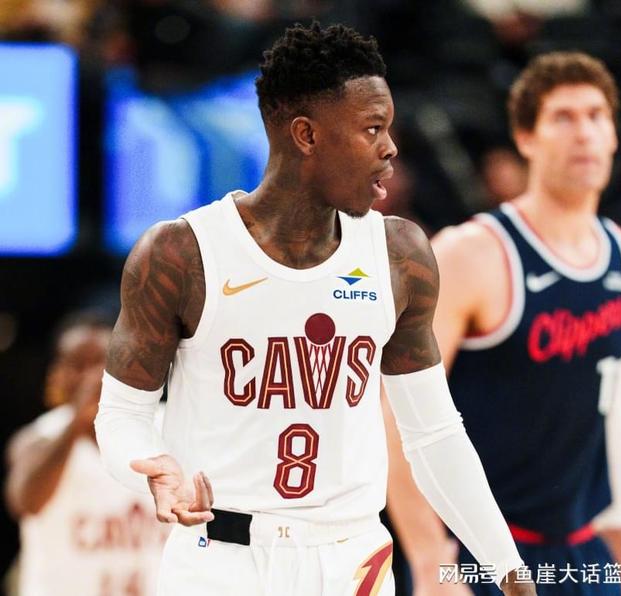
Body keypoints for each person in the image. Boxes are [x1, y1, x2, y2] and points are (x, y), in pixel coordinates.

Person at [94, 22, 536, 596]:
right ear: (306, 135)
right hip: (222, 559)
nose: (390, 148)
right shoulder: (182, 252)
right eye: (372, 128)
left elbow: (433, 435)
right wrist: (149, 465)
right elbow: (120, 415)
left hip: (352, 557)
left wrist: (508, 569)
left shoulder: (399, 254)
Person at [385, 51, 621, 595]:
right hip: (482, 553)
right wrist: (429, 558)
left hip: (583, 550)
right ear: (526, 137)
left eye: (596, 116)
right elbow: (398, 415)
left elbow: (615, 415)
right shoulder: (471, 254)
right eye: (563, 117)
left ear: (613, 135)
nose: (584, 133)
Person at [4, 310, 169, 596]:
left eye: (103, 362)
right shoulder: (39, 438)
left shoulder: (169, 427)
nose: (94, 377)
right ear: (57, 375)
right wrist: (77, 425)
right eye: (79, 365)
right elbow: (24, 502)